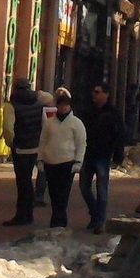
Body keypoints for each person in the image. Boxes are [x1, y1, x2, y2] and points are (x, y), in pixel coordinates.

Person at [81, 82, 127, 233]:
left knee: (102, 189)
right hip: (88, 154)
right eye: (93, 92)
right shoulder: (88, 111)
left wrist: (118, 154)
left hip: (103, 155)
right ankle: (95, 213)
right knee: (84, 187)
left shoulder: (113, 114)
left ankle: (99, 220)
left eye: (97, 92)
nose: (94, 95)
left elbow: (120, 135)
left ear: (106, 94)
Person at [38, 90, 88, 229]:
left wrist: (78, 161)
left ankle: (59, 222)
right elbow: (43, 141)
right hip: (50, 163)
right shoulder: (49, 123)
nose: (63, 108)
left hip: (67, 163)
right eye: (60, 105)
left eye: (65, 105)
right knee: (53, 193)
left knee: (63, 194)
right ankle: (57, 220)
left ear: (69, 106)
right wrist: (40, 159)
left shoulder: (76, 123)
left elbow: (81, 143)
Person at [3, 80, 44, 226]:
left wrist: (12, 144)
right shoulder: (39, 103)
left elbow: (8, 129)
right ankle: (28, 213)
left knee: (22, 182)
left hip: (20, 148)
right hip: (35, 146)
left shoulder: (11, 105)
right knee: (27, 180)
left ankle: (22, 214)